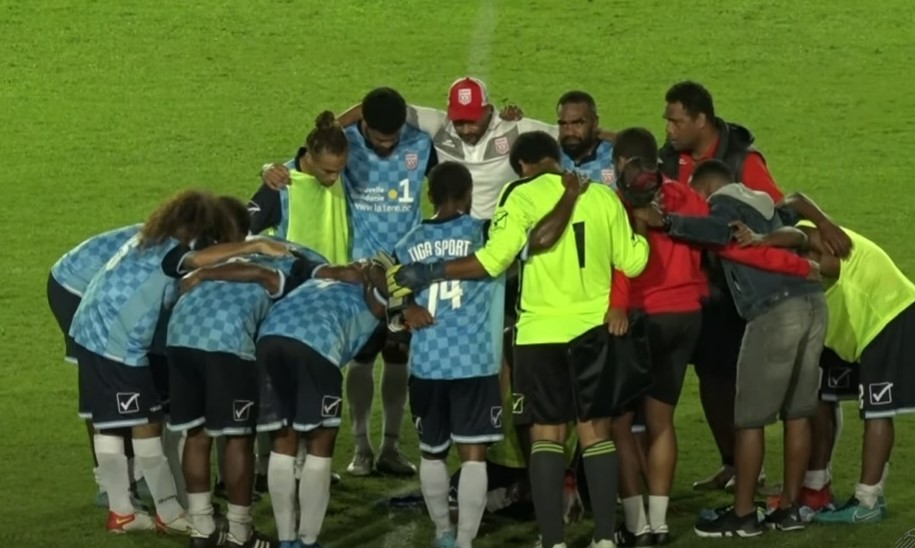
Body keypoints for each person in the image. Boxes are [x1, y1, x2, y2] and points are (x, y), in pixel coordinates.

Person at [527, 129, 817, 545]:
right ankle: (660, 523)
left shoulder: (620, 201)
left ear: (622, 163)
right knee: (661, 421)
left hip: (639, 318)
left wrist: (618, 305)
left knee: (619, 426)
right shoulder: (689, 198)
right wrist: (796, 267)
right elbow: (728, 245)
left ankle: (636, 524)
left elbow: (620, 262)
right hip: (688, 319)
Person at [386, 131, 650, 548]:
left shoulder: (519, 195)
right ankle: (603, 539)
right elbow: (634, 262)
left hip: (539, 334)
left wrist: (432, 272)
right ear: (556, 157)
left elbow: (495, 259)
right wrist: (636, 225)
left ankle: (553, 541)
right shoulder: (601, 196)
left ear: (522, 166)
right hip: (594, 331)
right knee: (595, 434)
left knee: (546, 436)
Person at [658, 80, 852, 492]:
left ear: (700, 119)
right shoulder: (671, 161)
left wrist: (811, 238)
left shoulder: (743, 163)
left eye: (676, 122)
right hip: (709, 289)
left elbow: (780, 216)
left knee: (785, 395)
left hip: (758, 292)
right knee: (712, 375)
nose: (669, 130)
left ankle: (811, 477)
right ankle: (734, 465)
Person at [69, 190, 291, 534]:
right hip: (115, 342)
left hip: (91, 329)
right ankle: (167, 512)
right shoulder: (170, 251)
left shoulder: (151, 239)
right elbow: (197, 262)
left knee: (110, 422)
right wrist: (255, 247)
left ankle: (121, 512)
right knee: (147, 423)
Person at [632, 159, 827, 537]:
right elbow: (796, 229)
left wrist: (669, 222)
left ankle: (742, 515)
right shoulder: (765, 203)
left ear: (706, 189)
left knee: (749, 419)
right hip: (813, 302)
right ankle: (788, 508)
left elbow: (717, 230)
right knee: (798, 412)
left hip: (776, 311)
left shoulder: (721, 205)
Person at [734, 221, 914, 524]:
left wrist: (767, 246)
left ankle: (868, 501)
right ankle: (816, 488)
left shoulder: (818, 243)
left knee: (876, 410)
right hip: (848, 328)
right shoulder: (803, 240)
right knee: (818, 395)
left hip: (888, 316)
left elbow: (817, 250)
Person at [166, 224, 332, 548]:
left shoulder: (218, 253)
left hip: (180, 335)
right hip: (225, 343)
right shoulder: (291, 267)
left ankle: (201, 528)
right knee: (238, 438)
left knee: (196, 434)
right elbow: (263, 277)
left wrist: (204, 275)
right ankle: (240, 532)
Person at [389, 162, 506, 548]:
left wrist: (403, 311)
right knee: (473, 456)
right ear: (469, 193)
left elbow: (381, 287)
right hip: (474, 361)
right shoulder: (486, 234)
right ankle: (465, 542)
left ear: (430, 195)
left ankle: (442, 532)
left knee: (432, 453)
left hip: (427, 362)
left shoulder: (407, 242)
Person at [256, 259, 391, 548]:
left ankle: (285, 538)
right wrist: (374, 267)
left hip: (268, 339)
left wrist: (353, 268)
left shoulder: (321, 281)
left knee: (283, 443)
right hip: (316, 346)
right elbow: (384, 285)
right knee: (320, 447)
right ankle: (307, 540)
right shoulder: (374, 298)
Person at [48, 222, 144, 507]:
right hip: (76, 289)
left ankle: (136, 473)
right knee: (102, 384)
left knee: (134, 377)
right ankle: (109, 484)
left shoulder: (192, 240)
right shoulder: (173, 253)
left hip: (107, 288)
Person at [248, 111, 350, 265]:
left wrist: (335, 124)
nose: (334, 177)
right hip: (299, 286)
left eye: (339, 170)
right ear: (308, 157)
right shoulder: (280, 185)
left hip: (337, 281)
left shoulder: (344, 174)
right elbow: (239, 232)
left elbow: (372, 107)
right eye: (328, 171)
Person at [557, 91, 616, 187]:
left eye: (578, 123)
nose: (570, 132)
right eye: (564, 124)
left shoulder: (613, 157)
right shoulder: (553, 158)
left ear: (595, 122)